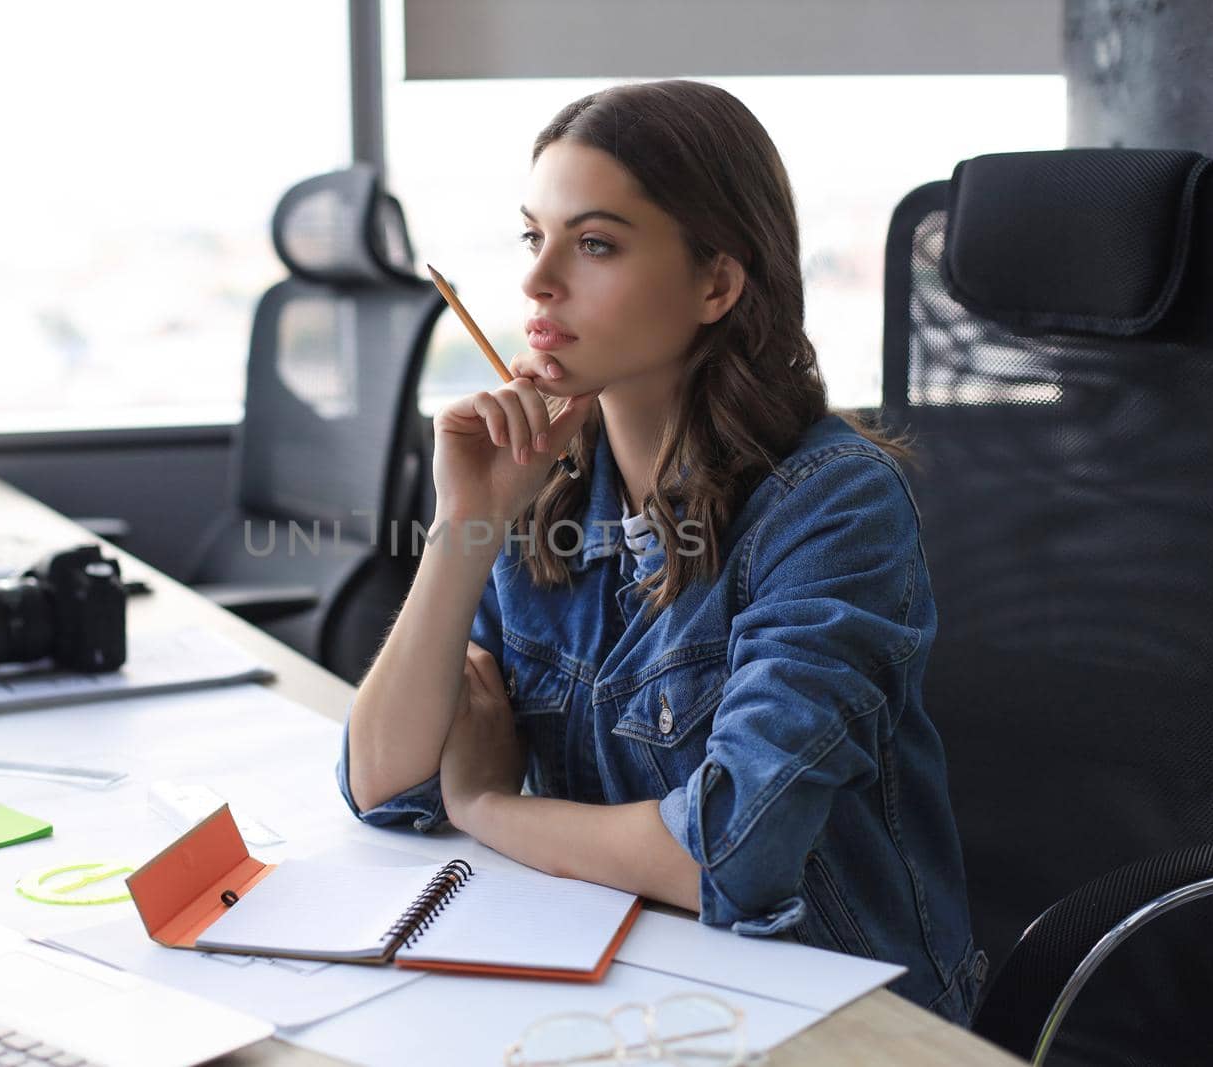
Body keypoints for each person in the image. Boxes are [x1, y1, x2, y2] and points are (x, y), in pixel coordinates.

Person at [337, 79, 984, 1024]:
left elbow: (729, 850)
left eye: (593, 243)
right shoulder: (541, 482)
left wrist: (485, 807)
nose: (536, 281)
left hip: (834, 1016)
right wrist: (465, 522)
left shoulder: (832, 503)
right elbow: (386, 786)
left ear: (717, 283)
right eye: (534, 237)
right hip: (628, 997)